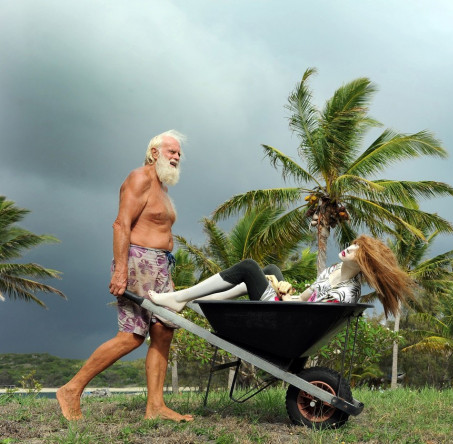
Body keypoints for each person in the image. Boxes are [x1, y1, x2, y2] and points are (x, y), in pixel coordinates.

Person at [57, 130, 193, 422]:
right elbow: (121, 225)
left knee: (163, 331)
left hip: (161, 265)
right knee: (132, 336)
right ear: (154, 152)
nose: (177, 157)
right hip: (137, 262)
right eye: (172, 151)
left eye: (179, 154)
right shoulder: (139, 178)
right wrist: (120, 271)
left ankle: (155, 406)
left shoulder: (164, 191)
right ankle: (71, 389)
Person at [149, 235, 413, 318]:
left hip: (288, 320)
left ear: (365, 263)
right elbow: (307, 298)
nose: (350, 247)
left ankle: (181, 298)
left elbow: (309, 317)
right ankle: (207, 303)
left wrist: (284, 299)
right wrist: (288, 291)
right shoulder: (332, 270)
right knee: (272, 270)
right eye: (354, 244)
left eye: (358, 250)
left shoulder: (346, 293)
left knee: (250, 267)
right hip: (290, 311)